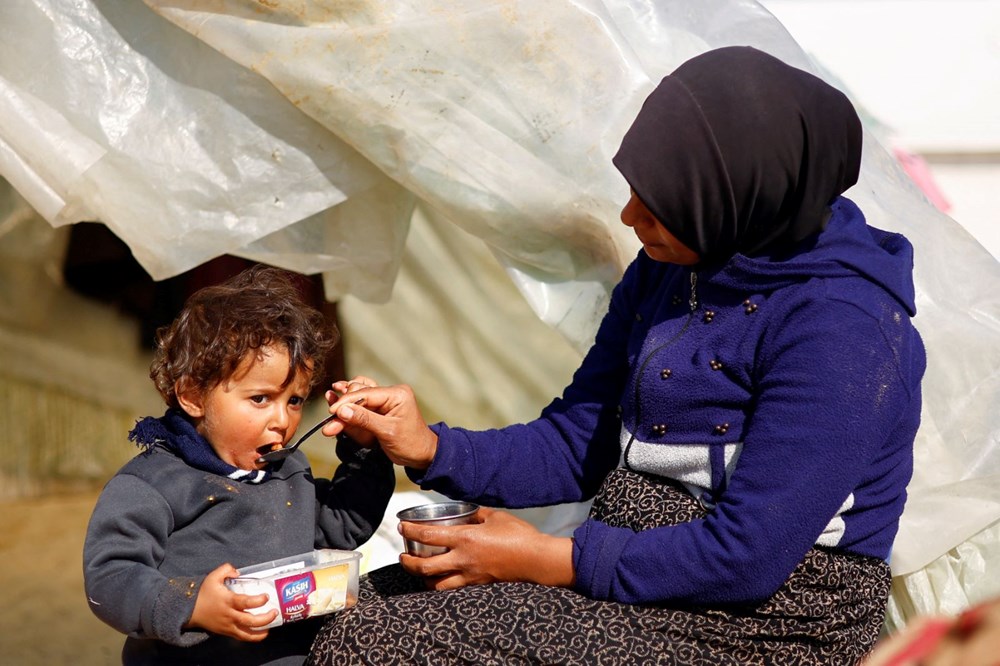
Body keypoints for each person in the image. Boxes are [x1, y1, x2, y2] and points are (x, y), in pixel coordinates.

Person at [309, 45, 927, 665]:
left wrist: (539, 558)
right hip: (630, 567)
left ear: (735, 201)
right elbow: (581, 439)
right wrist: (427, 446)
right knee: (342, 605)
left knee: (368, 645)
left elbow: (749, 556)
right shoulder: (672, 269)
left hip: (766, 621)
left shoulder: (844, 331)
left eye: (659, 209)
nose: (630, 218)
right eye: (634, 192)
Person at [83, 265, 395, 665]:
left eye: (295, 400)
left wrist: (365, 447)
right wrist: (192, 604)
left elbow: (341, 527)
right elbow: (110, 577)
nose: (282, 419)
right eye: (261, 399)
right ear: (194, 395)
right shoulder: (153, 485)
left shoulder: (287, 472)